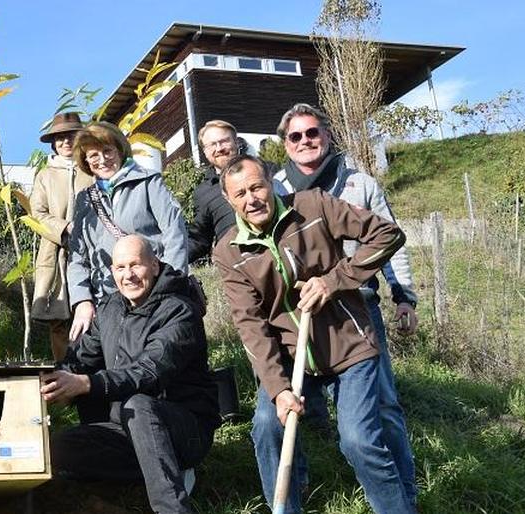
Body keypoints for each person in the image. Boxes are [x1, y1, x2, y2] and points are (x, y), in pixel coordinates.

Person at [212, 154, 413, 514]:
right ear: (229, 199)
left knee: (357, 441)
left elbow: (388, 234)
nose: (251, 199)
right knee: (265, 426)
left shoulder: (313, 206)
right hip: (291, 355)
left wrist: (333, 280)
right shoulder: (229, 252)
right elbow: (251, 325)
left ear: (271, 183)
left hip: (348, 344)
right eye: (240, 194)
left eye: (257, 187)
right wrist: (278, 390)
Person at [271, 103, 420, 508]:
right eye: (296, 136)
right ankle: (299, 486)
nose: (306, 141)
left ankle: (404, 492)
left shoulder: (360, 184)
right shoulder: (277, 189)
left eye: (312, 133)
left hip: (359, 306)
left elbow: (390, 242)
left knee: (384, 405)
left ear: (327, 136)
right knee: (292, 409)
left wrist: (402, 295)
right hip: (304, 314)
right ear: (285, 144)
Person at [45, 235, 219, 514]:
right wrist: (50, 381)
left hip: (183, 428)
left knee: (138, 404)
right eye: (120, 268)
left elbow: (149, 372)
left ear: (155, 265)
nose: (128, 276)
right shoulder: (110, 308)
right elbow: (80, 359)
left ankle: (172, 506)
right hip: (122, 428)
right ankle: (151, 476)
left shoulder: (179, 312)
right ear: (112, 272)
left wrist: (87, 384)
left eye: (135, 265)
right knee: (53, 449)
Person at [66, 121, 189, 344]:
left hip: (151, 292)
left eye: (107, 151)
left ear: (120, 150)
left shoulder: (148, 182)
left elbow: (175, 234)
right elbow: (77, 258)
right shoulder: (85, 199)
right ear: (85, 161)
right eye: (93, 155)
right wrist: (82, 301)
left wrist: (171, 286)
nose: (102, 160)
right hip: (107, 298)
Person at [30, 112, 91, 361]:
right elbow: (37, 214)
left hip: (92, 253)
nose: (66, 142)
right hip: (56, 255)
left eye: (71, 136)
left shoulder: (91, 170)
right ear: (54, 142)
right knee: (58, 319)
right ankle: (63, 374)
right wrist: (64, 227)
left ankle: (93, 376)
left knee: (90, 311)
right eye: (60, 137)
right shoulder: (45, 175)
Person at [187, 120, 240, 264]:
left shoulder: (263, 172)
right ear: (205, 151)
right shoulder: (203, 192)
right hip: (237, 265)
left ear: (236, 142)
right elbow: (200, 239)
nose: (219, 148)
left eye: (224, 141)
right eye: (212, 145)